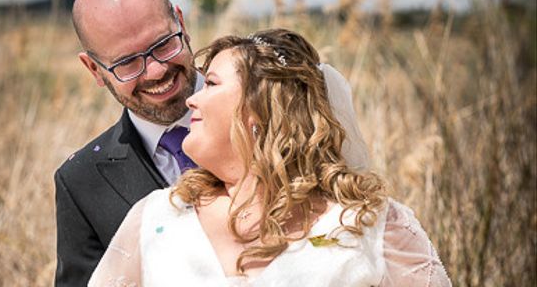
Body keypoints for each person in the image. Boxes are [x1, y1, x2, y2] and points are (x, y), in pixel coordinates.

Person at [88, 29, 452, 287]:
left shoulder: (371, 224)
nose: (191, 100)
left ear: (259, 111)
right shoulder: (155, 217)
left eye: (211, 83)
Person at [54, 0, 200, 286]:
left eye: (163, 44)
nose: (156, 71)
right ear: (94, 69)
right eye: (127, 63)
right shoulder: (80, 182)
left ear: (181, 23)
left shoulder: (271, 108)